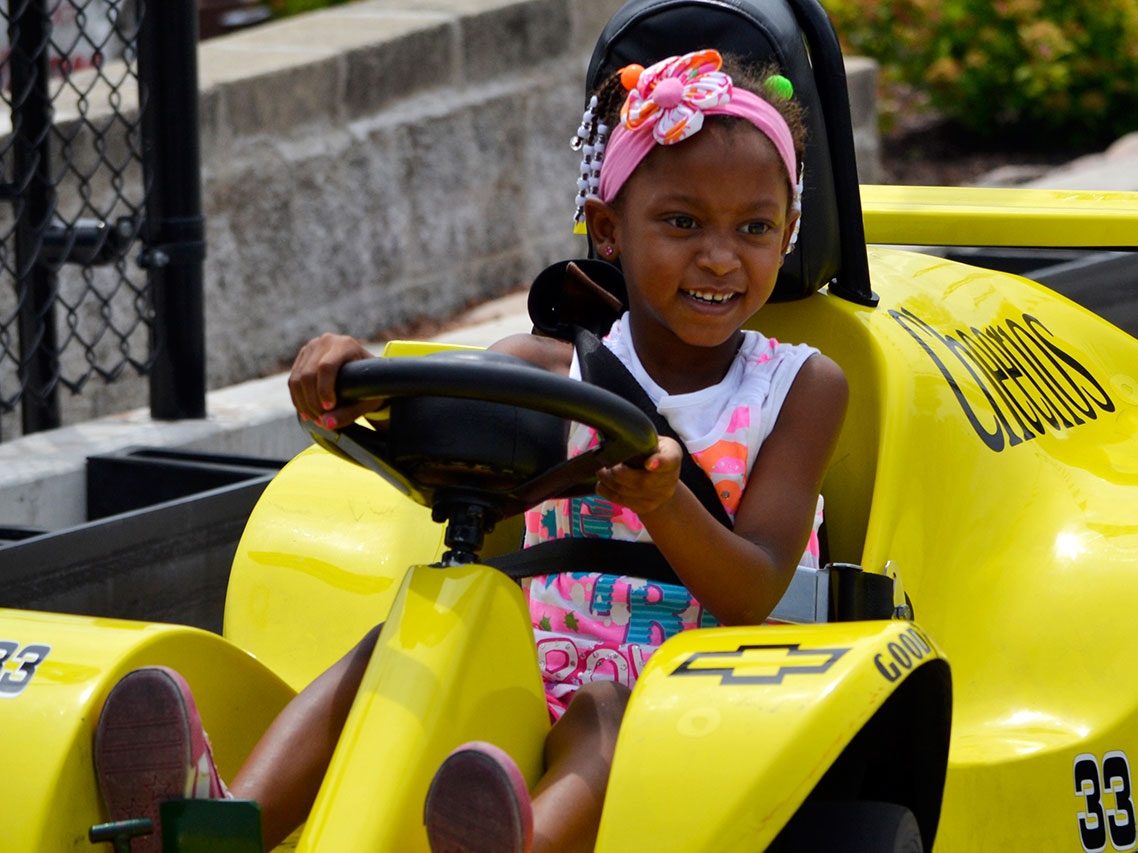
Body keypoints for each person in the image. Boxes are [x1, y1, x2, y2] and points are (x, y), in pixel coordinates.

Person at [92, 49, 847, 853]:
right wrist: (346, 374)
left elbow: (754, 587)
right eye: (682, 222)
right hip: (529, 654)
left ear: (789, 233)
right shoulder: (544, 370)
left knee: (604, 710)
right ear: (607, 229)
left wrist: (665, 502)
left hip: (704, 682)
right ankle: (219, 826)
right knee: (402, 641)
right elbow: (428, 404)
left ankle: (518, 843)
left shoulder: (799, 387)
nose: (721, 256)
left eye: (755, 227)